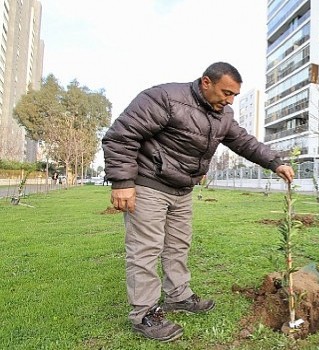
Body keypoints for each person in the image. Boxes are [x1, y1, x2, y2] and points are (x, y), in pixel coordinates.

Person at [102, 62, 295, 342]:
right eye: (226, 93)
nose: (229, 101)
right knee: (145, 250)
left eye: (234, 96)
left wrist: (275, 163)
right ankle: (144, 313)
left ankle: (179, 296)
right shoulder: (165, 98)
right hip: (148, 184)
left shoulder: (223, 115)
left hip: (182, 189)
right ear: (206, 82)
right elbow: (121, 136)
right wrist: (122, 183)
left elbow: (245, 142)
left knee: (178, 245)